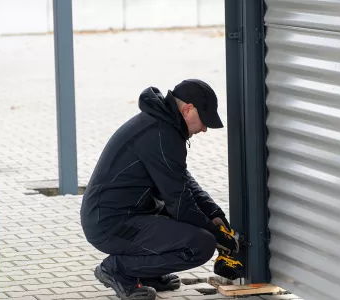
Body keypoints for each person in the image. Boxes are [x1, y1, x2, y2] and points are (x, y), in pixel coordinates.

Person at [80, 79, 239, 300]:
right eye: (204, 121)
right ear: (188, 109)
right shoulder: (161, 133)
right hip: (112, 225)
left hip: (122, 216)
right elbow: (180, 203)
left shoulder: (160, 125)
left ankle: (147, 273)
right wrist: (217, 237)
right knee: (201, 244)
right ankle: (118, 269)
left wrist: (212, 212)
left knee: (191, 227)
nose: (203, 129)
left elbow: (182, 180)